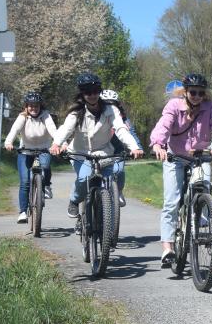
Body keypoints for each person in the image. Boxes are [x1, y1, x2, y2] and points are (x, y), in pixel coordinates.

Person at [150, 73, 212, 267]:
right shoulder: (174, 106)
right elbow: (164, 125)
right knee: (172, 201)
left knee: (205, 187)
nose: (196, 96)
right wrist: (158, 144)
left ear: (205, 94)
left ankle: (205, 225)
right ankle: (168, 248)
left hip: (199, 156)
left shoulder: (210, 108)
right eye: (193, 92)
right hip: (175, 156)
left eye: (200, 93)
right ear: (185, 92)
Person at [50, 73, 143, 220]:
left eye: (95, 91)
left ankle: (108, 206)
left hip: (103, 151)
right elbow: (66, 128)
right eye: (88, 92)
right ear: (82, 94)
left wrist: (134, 147)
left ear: (99, 91)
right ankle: (74, 201)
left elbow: (120, 129)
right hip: (80, 152)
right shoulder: (76, 112)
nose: (92, 95)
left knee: (116, 173)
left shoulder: (110, 110)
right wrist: (56, 144)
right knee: (84, 177)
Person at [4, 91, 58, 224]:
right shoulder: (22, 117)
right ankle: (23, 212)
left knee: (45, 166)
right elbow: (14, 130)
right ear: (26, 107)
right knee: (25, 182)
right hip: (25, 151)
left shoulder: (46, 116)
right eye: (31, 106)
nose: (34, 108)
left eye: (36, 106)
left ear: (41, 106)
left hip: (43, 149)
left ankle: (46, 186)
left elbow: (53, 130)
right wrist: (8, 142)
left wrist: (60, 143)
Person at [100, 89, 143, 207]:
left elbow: (132, 133)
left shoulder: (124, 120)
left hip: (117, 151)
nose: (110, 107)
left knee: (118, 171)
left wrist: (137, 148)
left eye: (113, 104)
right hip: (99, 151)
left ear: (117, 105)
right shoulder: (96, 117)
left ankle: (118, 191)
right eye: (106, 104)